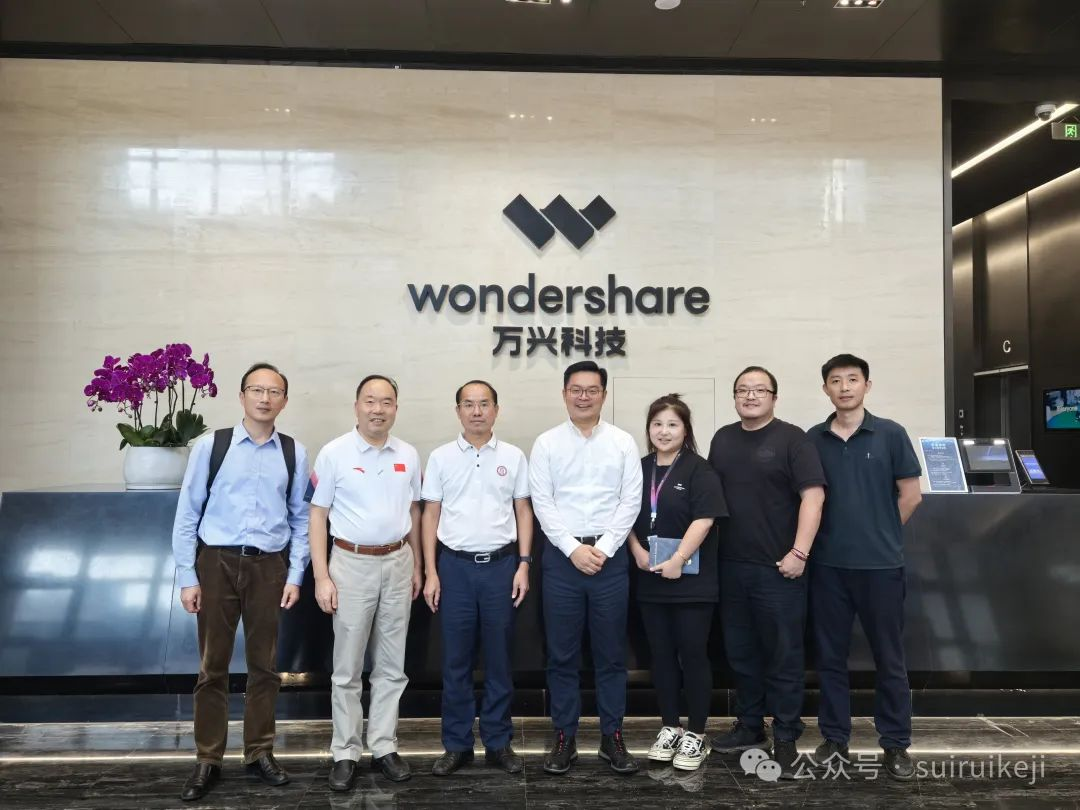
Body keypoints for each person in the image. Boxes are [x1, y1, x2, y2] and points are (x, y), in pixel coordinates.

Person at [171, 362, 310, 802]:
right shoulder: (212, 446)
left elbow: (300, 519)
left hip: (269, 567)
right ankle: (207, 758)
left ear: (284, 400)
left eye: (274, 392)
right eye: (257, 390)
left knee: (265, 667)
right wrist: (188, 576)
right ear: (242, 395)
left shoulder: (294, 452)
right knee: (212, 667)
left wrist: (295, 574)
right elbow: (187, 513)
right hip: (216, 563)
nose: (265, 398)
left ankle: (259, 752)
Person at [808, 353, 923, 781]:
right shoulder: (813, 438)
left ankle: (895, 743)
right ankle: (835, 737)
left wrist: (882, 533)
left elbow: (911, 495)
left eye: (853, 379)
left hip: (880, 567)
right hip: (827, 567)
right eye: (836, 380)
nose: (844, 387)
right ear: (825, 389)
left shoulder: (891, 433)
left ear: (867, 386)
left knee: (889, 658)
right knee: (830, 658)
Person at [707, 366, 825, 778]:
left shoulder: (793, 439)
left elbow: (814, 497)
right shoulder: (723, 439)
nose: (750, 396)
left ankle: (786, 736)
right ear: (734, 397)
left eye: (759, 390)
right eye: (743, 389)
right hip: (731, 567)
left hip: (780, 569)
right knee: (741, 653)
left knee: (784, 655)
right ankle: (750, 725)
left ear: (774, 397)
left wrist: (799, 552)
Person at [307, 375, 423, 790]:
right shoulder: (334, 453)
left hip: (398, 561)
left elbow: (414, 511)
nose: (378, 409)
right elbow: (317, 515)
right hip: (350, 564)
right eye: (370, 401)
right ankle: (345, 751)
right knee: (347, 667)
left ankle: (385, 745)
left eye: (386, 402)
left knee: (392, 665)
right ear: (356, 406)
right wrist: (321, 576)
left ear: (396, 408)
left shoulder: (408, 454)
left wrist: (417, 567)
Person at [529, 360, 644, 776]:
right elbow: (542, 502)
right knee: (562, 655)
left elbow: (630, 501)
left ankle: (613, 737)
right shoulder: (546, 444)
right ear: (564, 394)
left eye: (592, 390)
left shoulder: (622, 442)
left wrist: (605, 547)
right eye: (576, 389)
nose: (583, 397)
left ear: (604, 395)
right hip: (562, 561)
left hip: (609, 562)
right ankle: (565, 737)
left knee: (611, 655)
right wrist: (573, 549)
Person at [421, 380, 534, 776]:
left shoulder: (514, 456)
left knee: (500, 659)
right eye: (468, 404)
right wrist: (431, 571)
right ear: (458, 411)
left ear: (496, 410)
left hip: (501, 567)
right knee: (455, 661)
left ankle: (499, 742)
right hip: (454, 568)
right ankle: (456, 745)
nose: (476, 411)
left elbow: (523, 510)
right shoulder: (440, 457)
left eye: (484, 404)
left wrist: (524, 563)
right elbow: (430, 515)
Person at [627, 394, 727, 771]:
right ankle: (670, 726)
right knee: (662, 656)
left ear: (685, 430)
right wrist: (636, 550)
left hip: (691, 581)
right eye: (657, 424)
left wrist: (678, 559)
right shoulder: (638, 468)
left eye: (672, 424)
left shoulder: (700, 469)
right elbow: (622, 514)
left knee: (693, 654)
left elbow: (705, 519)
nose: (664, 431)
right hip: (650, 578)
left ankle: (696, 733)